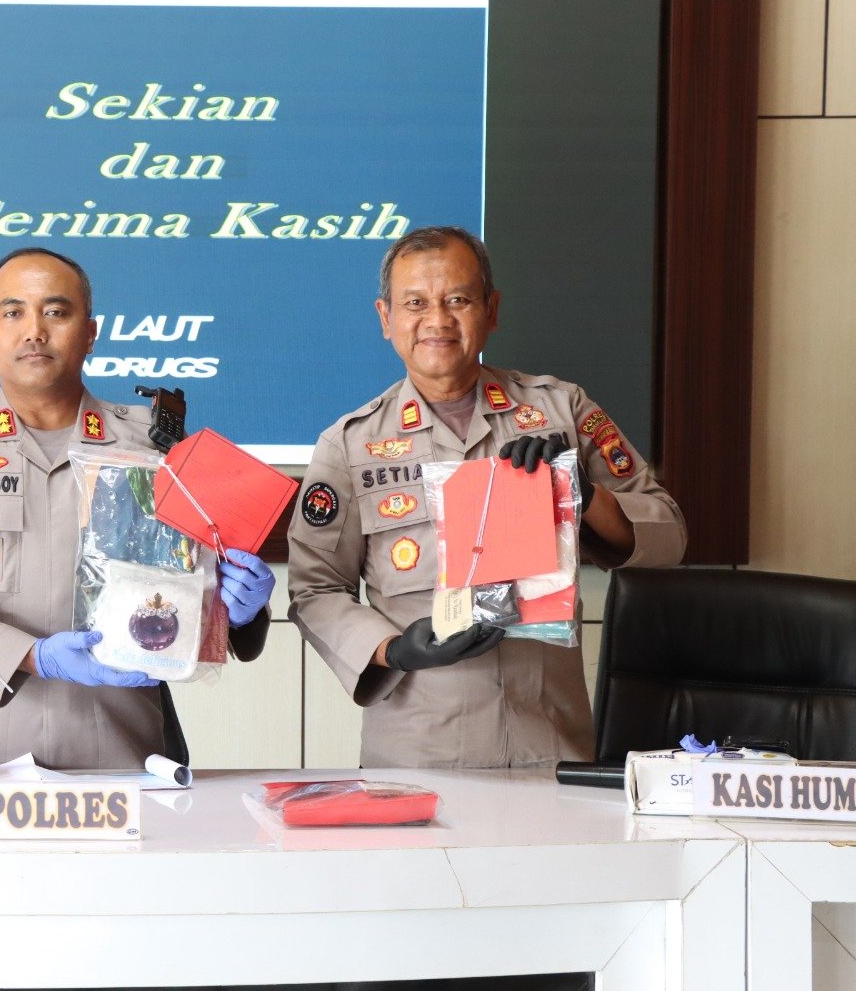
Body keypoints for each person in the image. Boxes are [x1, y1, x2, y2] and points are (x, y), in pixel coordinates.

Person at [288, 226, 686, 770]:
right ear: (386, 318)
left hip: (551, 746)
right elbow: (314, 589)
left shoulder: (562, 411)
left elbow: (668, 536)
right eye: (415, 303)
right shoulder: (349, 445)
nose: (438, 320)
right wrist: (393, 649)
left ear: (491, 310)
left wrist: (584, 492)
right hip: (417, 755)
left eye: (458, 300)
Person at [0, 247, 275, 770]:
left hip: (118, 757)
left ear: (90, 333)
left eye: (56, 312)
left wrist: (237, 609)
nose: (34, 331)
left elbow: (197, 597)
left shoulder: (156, 449)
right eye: (13, 312)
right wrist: (33, 656)